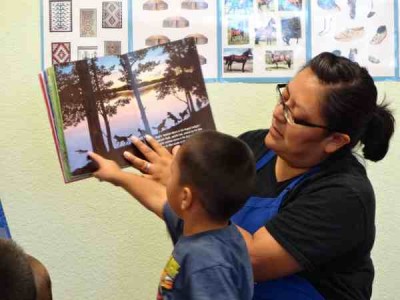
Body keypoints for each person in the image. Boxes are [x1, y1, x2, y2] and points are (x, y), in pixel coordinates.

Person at [108, 52, 395, 300]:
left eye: (294, 115)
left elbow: (247, 257)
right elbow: (190, 206)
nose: (278, 114)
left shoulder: (344, 195)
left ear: (334, 141)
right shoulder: (253, 148)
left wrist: (179, 179)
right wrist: (122, 174)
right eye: (284, 98)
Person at [89, 130, 256, 300]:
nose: (166, 178)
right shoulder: (204, 227)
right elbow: (155, 197)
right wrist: (117, 175)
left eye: (172, 173)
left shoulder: (207, 264)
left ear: (185, 197)